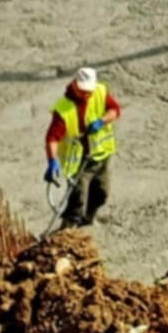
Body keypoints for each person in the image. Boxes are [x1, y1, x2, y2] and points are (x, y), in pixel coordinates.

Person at [44, 66, 123, 227]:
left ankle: (87, 221)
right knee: (77, 200)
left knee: (101, 193)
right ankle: (67, 229)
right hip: (79, 162)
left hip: (101, 156)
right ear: (75, 85)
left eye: (89, 91)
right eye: (83, 91)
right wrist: (52, 161)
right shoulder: (64, 109)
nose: (86, 95)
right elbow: (52, 138)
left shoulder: (100, 92)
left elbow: (114, 110)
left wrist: (102, 121)